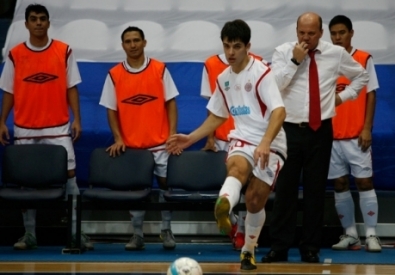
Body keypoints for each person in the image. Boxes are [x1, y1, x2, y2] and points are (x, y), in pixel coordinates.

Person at [167, 19, 287, 270]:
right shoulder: (223, 78)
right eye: (226, 46)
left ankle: (248, 250)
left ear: (248, 46)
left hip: (271, 140)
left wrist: (265, 142)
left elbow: (279, 111)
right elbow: (218, 116)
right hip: (242, 137)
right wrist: (191, 137)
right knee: (236, 169)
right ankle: (223, 206)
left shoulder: (262, 72)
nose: (230, 52)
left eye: (236, 46)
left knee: (255, 200)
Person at [262, 12, 369, 263]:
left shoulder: (335, 53)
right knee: (285, 191)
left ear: (321, 33)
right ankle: (279, 246)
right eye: (302, 33)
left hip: (320, 129)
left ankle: (310, 247)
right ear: (296, 31)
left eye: (311, 33)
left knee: (315, 191)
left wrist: (342, 98)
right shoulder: (282, 51)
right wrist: (294, 61)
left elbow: (361, 76)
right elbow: (274, 86)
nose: (306, 38)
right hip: (287, 130)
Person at [0, 4, 93, 250]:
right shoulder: (15, 54)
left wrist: (77, 119)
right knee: (25, 181)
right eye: (34, 19)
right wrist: (1, 121)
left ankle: (76, 232)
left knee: (70, 175)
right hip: (25, 127)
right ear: (27, 24)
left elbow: (72, 86)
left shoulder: (63, 51)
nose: (39, 23)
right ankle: (29, 234)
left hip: (58, 126)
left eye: (42, 19)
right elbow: (9, 90)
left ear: (49, 23)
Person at [99, 26, 179, 251]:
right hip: (133, 147)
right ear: (122, 45)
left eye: (136, 40)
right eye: (128, 41)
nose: (132, 45)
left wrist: (172, 134)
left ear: (145, 42)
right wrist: (118, 138)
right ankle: (137, 234)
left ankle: (166, 229)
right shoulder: (114, 74)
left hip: (161, 143)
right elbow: (111, 109)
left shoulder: (159, 69)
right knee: (134, 190)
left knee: (166, 186)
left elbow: (170, 102)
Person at [200, 52, 265, 250]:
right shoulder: (211, 64)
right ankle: (234, 224)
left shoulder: (259, 64)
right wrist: (210, 137)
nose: (232, 50)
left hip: (251, 138)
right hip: (222, 138)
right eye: (228, 44)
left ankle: (243, 232)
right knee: (231, 186)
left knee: (247, 188)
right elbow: (212, 106)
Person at [328, 15, 380, 252]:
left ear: (351, 33)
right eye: (334, 33)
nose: (338, 37)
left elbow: (370, 93)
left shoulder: (363, 58)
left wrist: (367, 127)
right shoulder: (326, 58)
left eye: (342, 32)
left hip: (356, 134)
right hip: (331, 135)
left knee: (364, 182)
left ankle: (371, 234)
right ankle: (350, 234)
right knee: (339, 184)